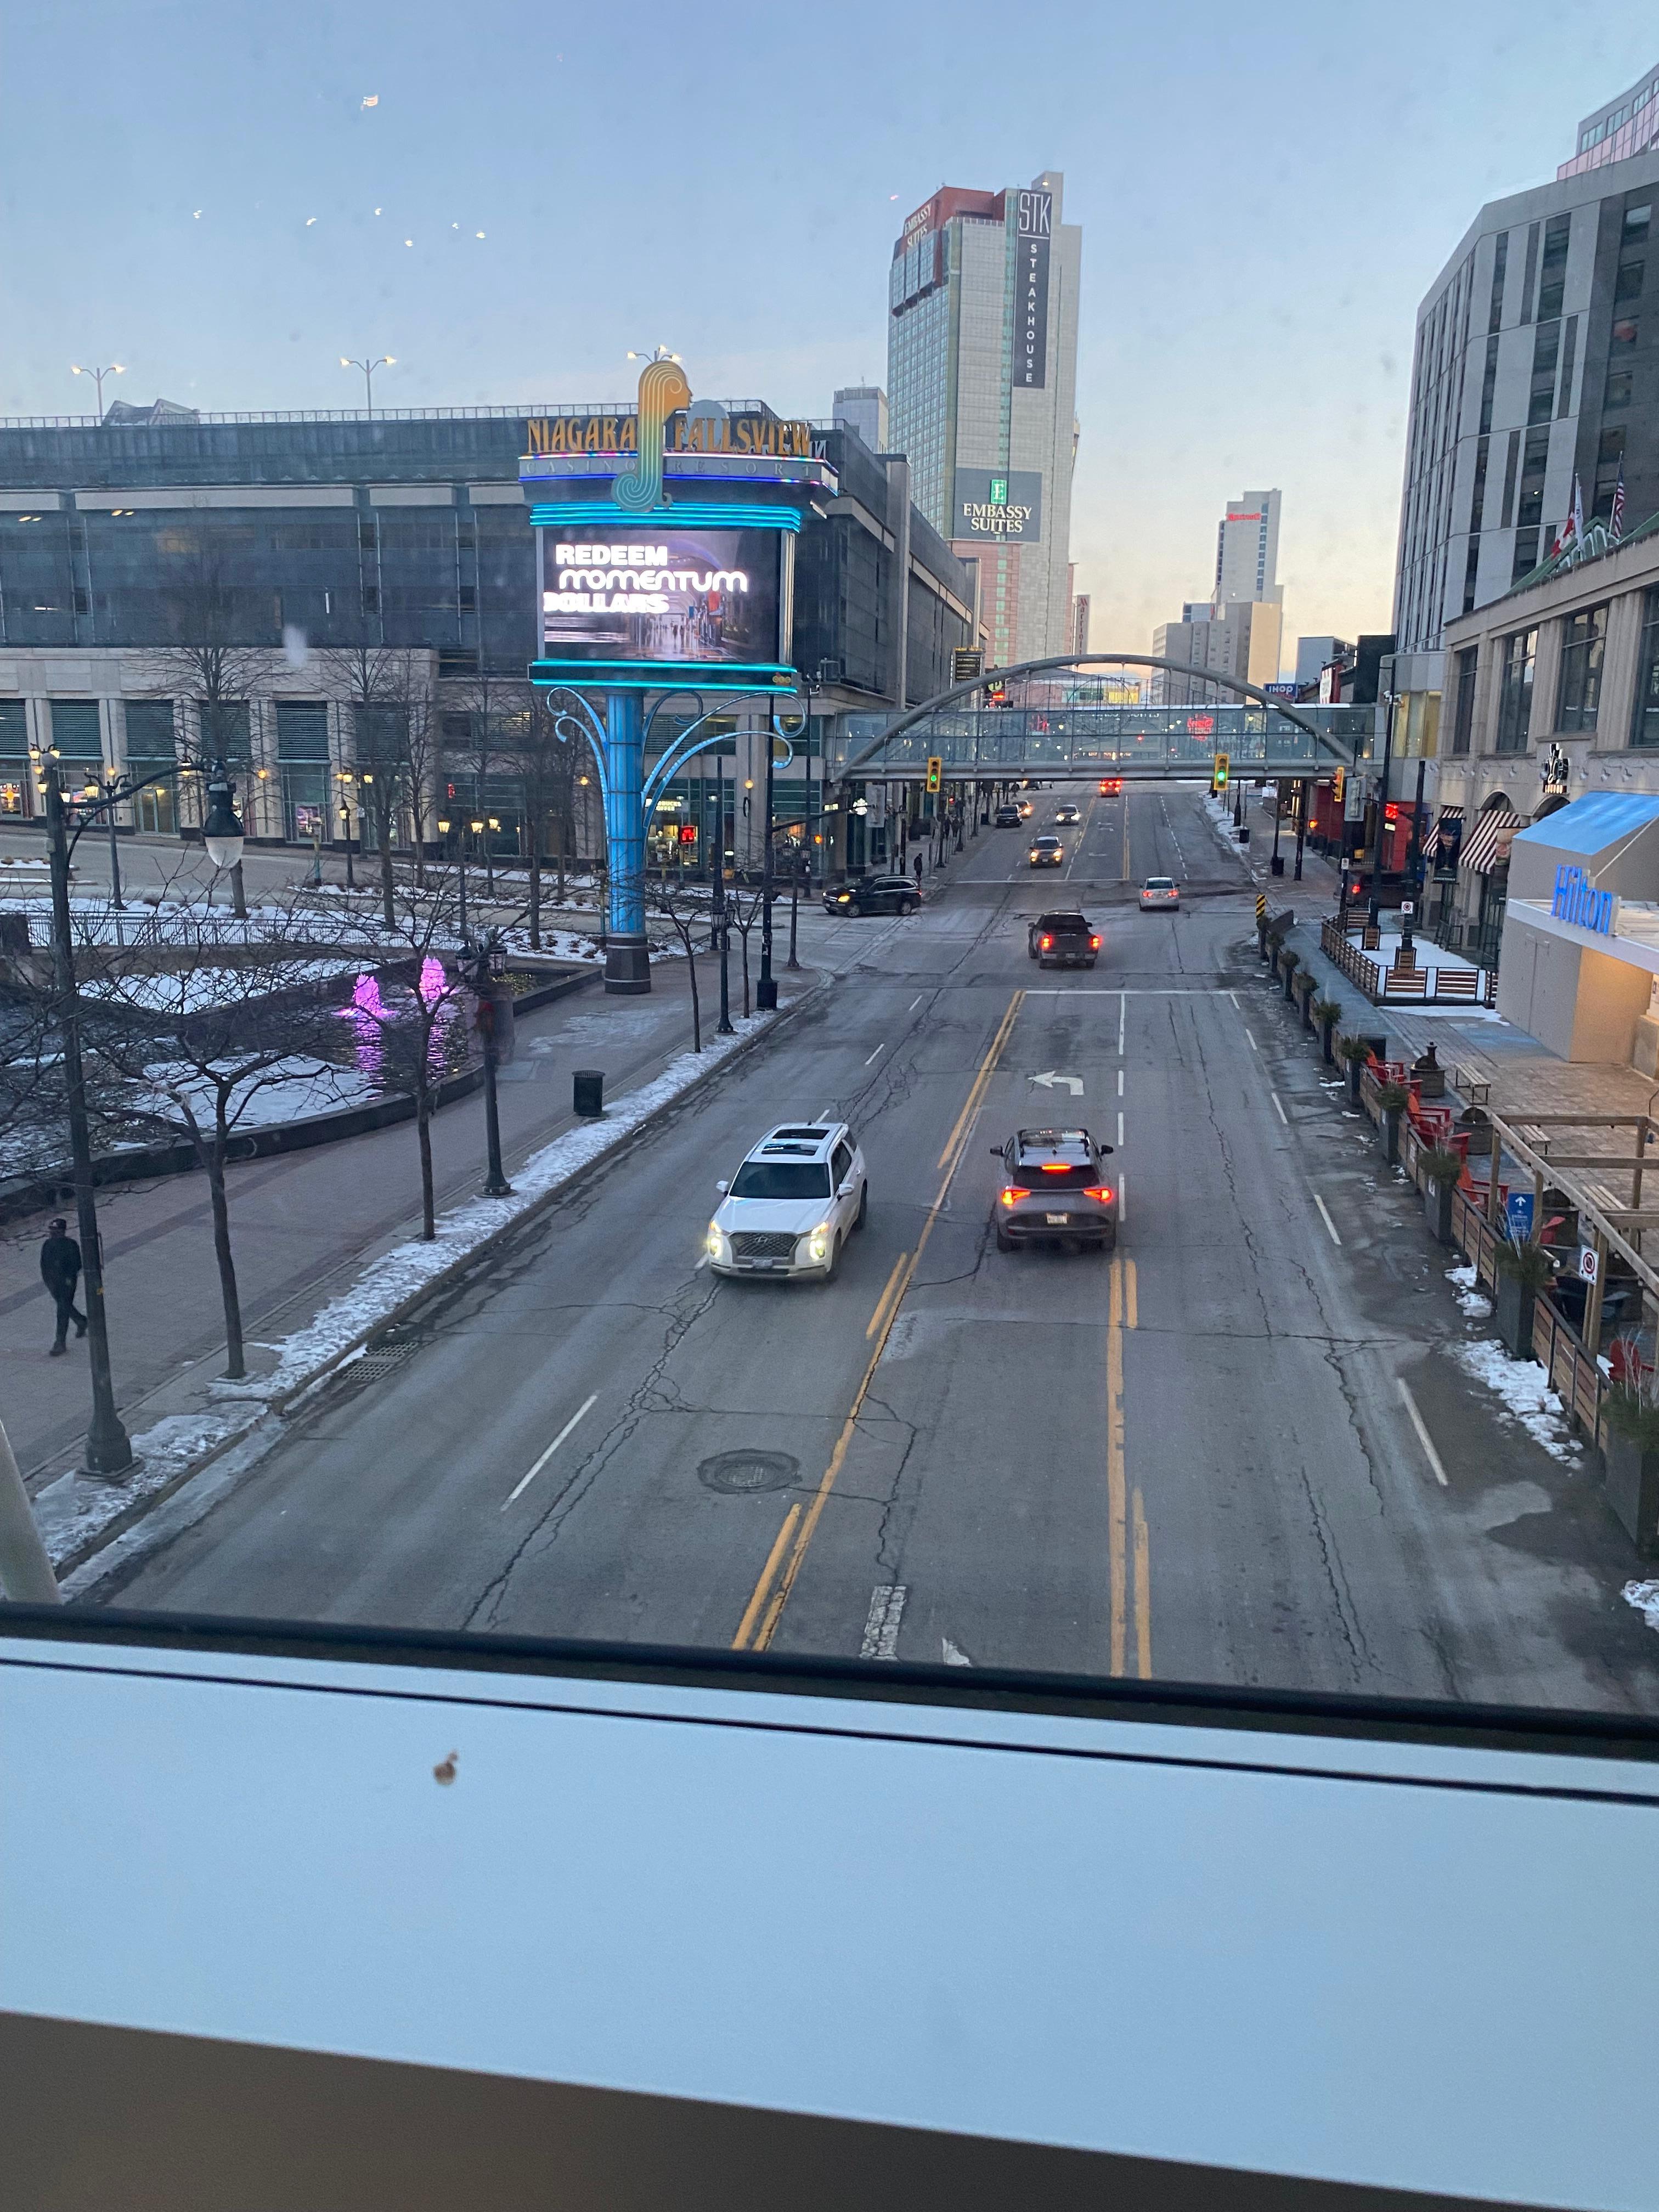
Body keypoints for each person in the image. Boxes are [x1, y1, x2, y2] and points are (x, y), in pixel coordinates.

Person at [40, 1217, 87, 1357]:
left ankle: (60, 1342)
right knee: (65, 1307)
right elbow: (44, 1264)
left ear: (62, 1232)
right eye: (52, 1231)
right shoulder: (47, 1245)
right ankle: (81, 1321)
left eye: (57, 1232)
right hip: (53, 1284)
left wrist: (67, 1279)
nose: (54, 1234)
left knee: (62, 1310)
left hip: (67, 1284)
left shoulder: (71, 1245)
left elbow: (77, 1265)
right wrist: (48, 1281)